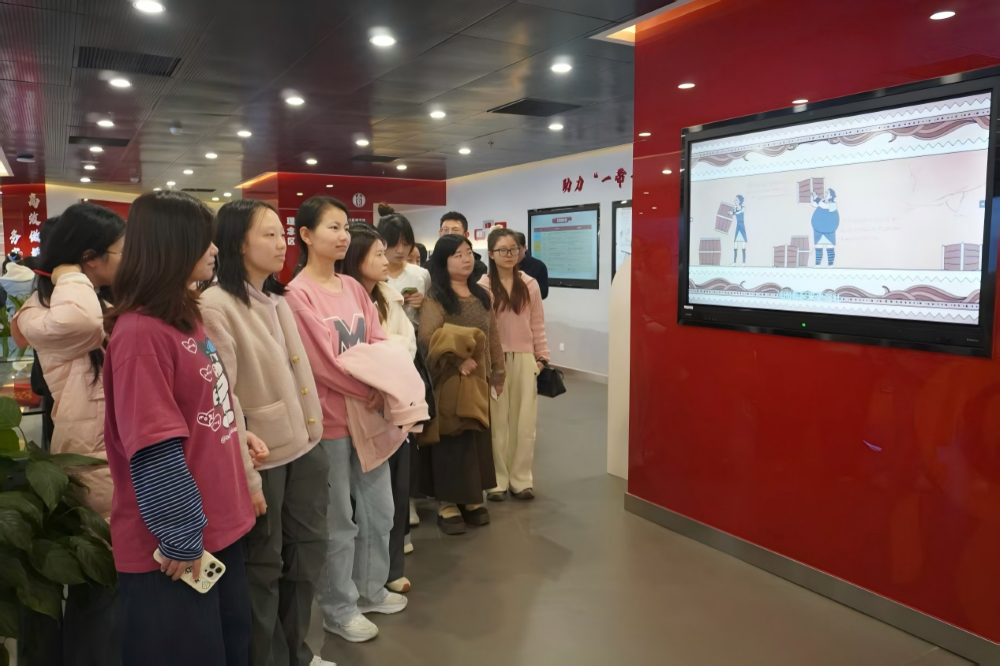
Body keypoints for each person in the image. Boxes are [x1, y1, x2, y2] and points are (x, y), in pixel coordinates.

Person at [103, 191, 255, 666]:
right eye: (203, 240)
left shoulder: (185, 315)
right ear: (172, 247)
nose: (214, 250)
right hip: (172, 548)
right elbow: (154, 447)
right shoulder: (139, 334)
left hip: (216, 528)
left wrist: (236, 436)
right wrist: (181, 534)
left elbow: (200, 408)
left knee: (231, 648)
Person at [200, 199, 333, 666]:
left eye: (283, 234)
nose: (282, 244)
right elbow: (223, 397)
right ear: (238, 242)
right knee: (264, 565)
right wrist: (248, 474)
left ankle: (298, 652)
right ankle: (268, 658)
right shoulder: (216, 305)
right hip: (263, 456)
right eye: (269, 235)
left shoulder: (277, 298)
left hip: (305, 444)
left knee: (307, 553)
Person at [285, 196, 406, 644]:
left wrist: (381, 384)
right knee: (337, 523)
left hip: (370, 418)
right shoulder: (297, 295)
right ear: (305, 235)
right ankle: (338, 608)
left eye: (344, 228)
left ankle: (371, 590)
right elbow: (320, 364)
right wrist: (370, 389)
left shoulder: (353, 287)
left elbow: (378, 341)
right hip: (331, 422)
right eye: (332, 227)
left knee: (379, 511)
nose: (342, 236)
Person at [12, 203, 125, 666]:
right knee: (100, 584)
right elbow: (81, 322)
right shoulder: (52, 308)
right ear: (89, 258)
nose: (127, 258)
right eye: (120, 250)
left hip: (109, 451)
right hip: (91, 456)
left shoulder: (92, 297)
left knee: (112, 586)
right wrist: (66, 272)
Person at [339, 223, 417, 594]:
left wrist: (383, 365)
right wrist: (382, 359)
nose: (387, 261)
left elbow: (406, 344)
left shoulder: (389, 297)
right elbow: (350, 355)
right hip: (353, 407)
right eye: (379, 254)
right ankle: (360, 581)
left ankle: (389, 571)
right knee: (356, 505)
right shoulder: (339, 299)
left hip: (393, 405)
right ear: (357, 258)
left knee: (393, 497)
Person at [418, 234, 505, 535]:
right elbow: (427, 337)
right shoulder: (436, 298)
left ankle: (471, 498)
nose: (466, 259)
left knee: (475, 439)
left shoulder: (482, 296)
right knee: (452, 440)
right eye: (457, 254)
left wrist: (498, 372)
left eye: (468, 252)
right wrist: (458, 359)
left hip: (478, 381)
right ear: (443, 262)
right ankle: (447, 503)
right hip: (449, 381)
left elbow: (493, 335)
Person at [479, 228, 549, 501]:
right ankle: (497, 481)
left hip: (524, 358)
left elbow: (537, 323)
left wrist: (542, 358)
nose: (509, 255)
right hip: (495, 360)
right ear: (491, 254)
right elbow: (482, 328)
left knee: (524, 422)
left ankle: (521, 479)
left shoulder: (529, 284)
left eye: (513, 250)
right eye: (502, 250)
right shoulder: (483, 286)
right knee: (497, 422)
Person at [376, 204, 430, 327]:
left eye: (406, 244)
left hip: (413, 336)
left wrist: (423, 305)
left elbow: (429, 316)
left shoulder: (421, 274)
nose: (400, 251)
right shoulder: (372, 275)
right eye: (394, 244)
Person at [439, 211, 487, 279]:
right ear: (440, 233)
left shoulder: (477, 268)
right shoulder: (429, 266)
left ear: (465, 235)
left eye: (455, 230)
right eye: (445, 230)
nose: (449, 234)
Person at [514, 232, 548, 299]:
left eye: (516, 249)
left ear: (524, 248)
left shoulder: (538, 266)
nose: (513, 254)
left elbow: (543, 293)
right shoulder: (504, 265)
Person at [811, 188, 839, 267]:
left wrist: (816, 197)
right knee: (818, 247)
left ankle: (830, 265)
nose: (825, 194)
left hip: (828, 231)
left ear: (831, 195)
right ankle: (817, 264)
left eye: (827, 193)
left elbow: (824, 206)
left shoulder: (833, 204)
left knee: (829, 247)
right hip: (819, 230)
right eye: (825, 193)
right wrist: (814, 198)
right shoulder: (822, 201)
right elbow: (814, 204)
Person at [732, 195, 747, 266]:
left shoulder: (743, 208)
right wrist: (732, 212)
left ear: (740, 201)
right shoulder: (735, 209)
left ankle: (743, 263)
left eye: (736, 200)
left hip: (742, 225)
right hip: (738, 226)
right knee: (735, 243)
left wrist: (733, 213)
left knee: (743, 244)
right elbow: (734, 212)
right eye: (735, 200)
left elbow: (740, 212)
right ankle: (734, 262)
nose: (735, 201)